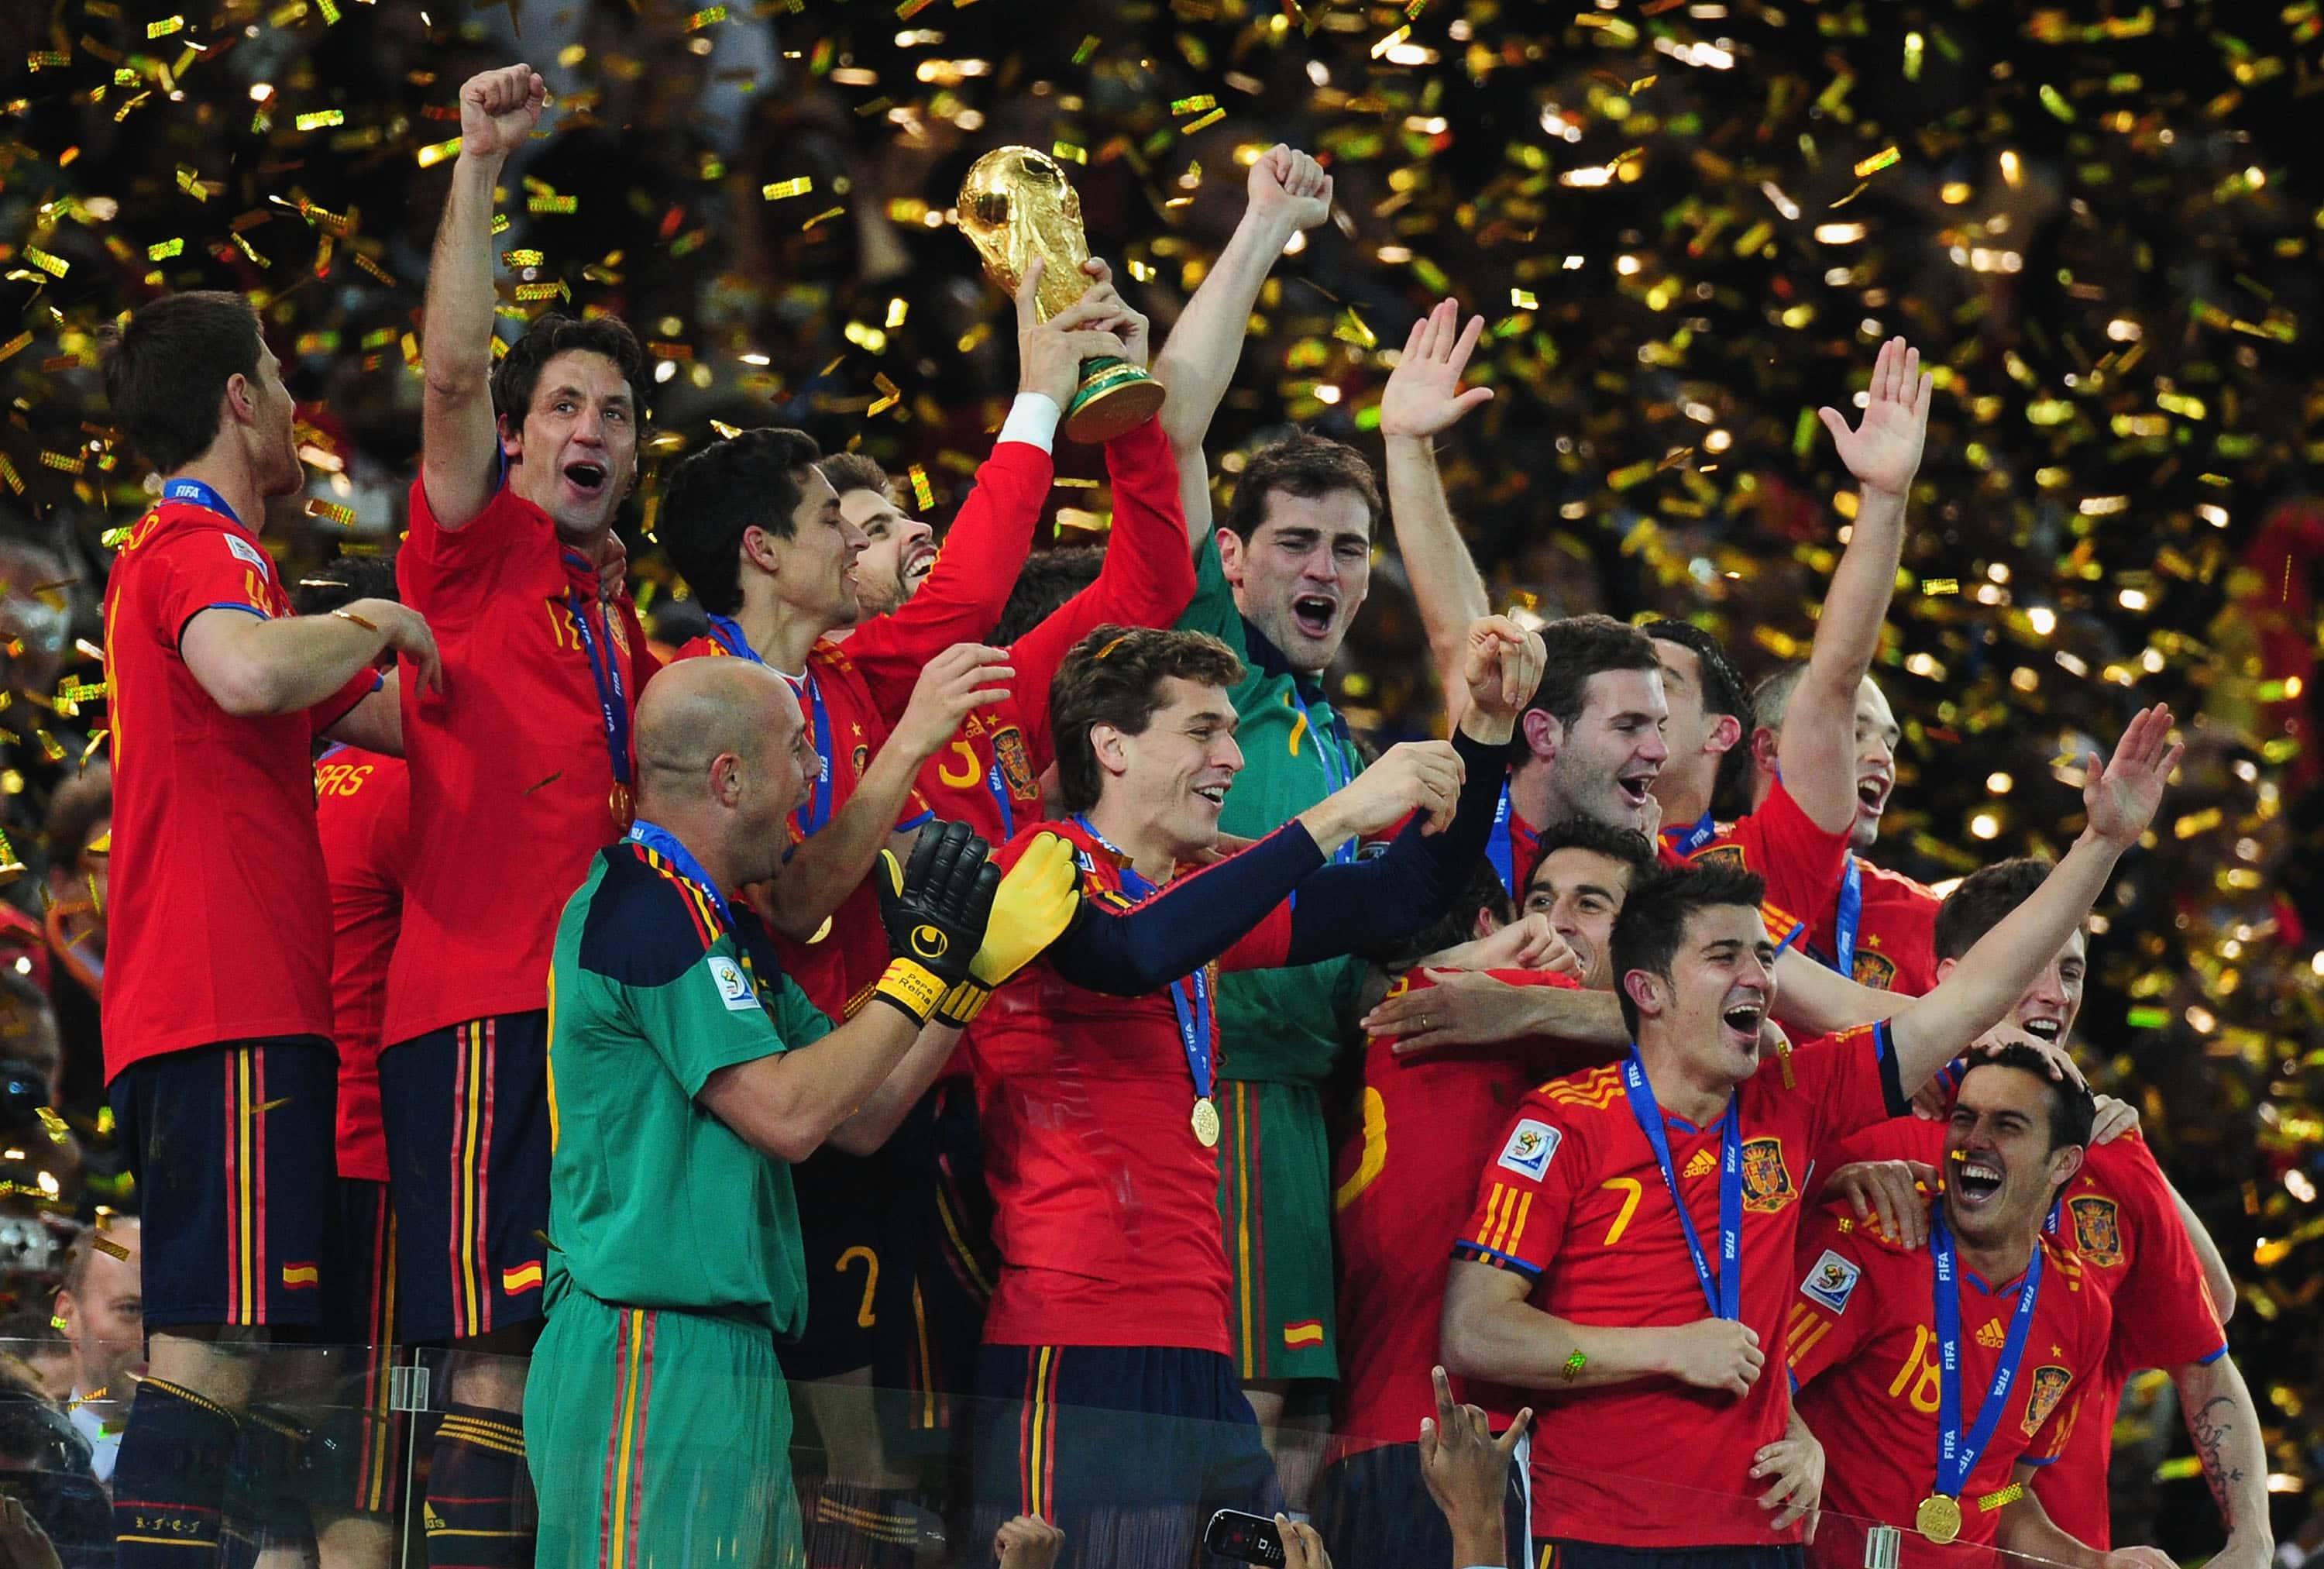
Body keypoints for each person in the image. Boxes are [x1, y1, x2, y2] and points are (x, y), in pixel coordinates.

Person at [1438, 704, 2181, 1569]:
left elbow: (1969, 1002)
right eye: (1725, 957)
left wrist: (2101, 846)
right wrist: (1665, 1350)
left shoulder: (1795, 1099)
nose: (1759, 978)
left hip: (1764, 1538)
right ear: (1646, 990)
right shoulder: (1565, 1121)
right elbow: (1477, 1331)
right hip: (1603, 1534)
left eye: (1763, 957)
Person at [652, 270, 1132, 1559]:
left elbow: (971, 582)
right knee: (816, 1458)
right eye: (830, 519)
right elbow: (796, 901)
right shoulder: (699, 695)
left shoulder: (841, 674)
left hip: (882, 1093)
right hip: (780, 1113)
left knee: (884, 1455)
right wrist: (913, 745)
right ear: (763, 551)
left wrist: (1040, 392)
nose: (853, 545)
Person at [965, 614, 1535, 1569]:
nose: (1231, 756)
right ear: (1111, 747)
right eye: (1202, 731)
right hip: (1075, 1346)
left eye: (1232, 731)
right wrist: (1336, 816)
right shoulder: (1044, 865)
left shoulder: (1196, 895)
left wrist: (1484, 728)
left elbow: (1403, 893)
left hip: (1202, 1348)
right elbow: (1129, 953)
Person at [522, 655, 1074, 1569]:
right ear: (729, 778)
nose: (817, 776)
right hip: (646, 1352)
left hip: (727, 1353)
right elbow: (787, 1115)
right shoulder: (641, 907)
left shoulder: (719, 921)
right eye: (798, 751)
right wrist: (921, 967)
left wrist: (965, 980)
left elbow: (859, 1112)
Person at [1155, 142, 1507, 1433]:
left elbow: (1480, 675)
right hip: (1214, 1087)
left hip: (1311, 1108)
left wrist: (1407, 452)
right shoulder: (1201, 661)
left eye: (1348, 551)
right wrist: (1260, 230)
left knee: (1294, 1421)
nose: (1325, 571)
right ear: (1233, 558)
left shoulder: (1338, 746)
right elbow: (1175, 425)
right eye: (1295, 543)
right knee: (1240, 1417)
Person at [93, 287, 435, 1568]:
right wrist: (373, 615)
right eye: (280, 378)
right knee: (212, 1349)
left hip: (218, 1009)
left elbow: (403, 721)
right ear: (240, 399)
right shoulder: (205, 547)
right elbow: (246, 670)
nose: (298, 402)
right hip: (226, 1001)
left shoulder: (220, 568)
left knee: (253, 1356)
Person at [383, 61, 655, 1568]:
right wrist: (478, 165)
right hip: (484, 1011)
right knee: (491, 1354)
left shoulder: (630, 628)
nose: (588, 428)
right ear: (519, 435)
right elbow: (444, 382)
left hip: (597, 1035)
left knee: (574, 1349)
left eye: (616, 411)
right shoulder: (473, 554)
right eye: (562, 405)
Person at [1820, 858, 2271, 1569]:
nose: (2056, 994)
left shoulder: (2110, 1153)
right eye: (2032, 961)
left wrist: (2251, 1537)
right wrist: (1831, 1185)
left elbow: (2206, 1345)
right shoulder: (1865, 1125)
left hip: (2060, 1548)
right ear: (1952, 978)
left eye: (2072, 971)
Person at [1318, 821, 1655, 1569]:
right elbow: (1718, 1033)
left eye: (1590, 903)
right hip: (1458, 1454)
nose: (1555, 922)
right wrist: (1528, 1002)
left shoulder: (1481, 1022)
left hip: (1371, 1444)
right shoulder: (1484, 1001)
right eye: (1539, 901)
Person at [1786, 1047, 2140, 1569]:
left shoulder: (2082, 1310)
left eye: (2007, 1126)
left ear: (2063, 1162)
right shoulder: (1875, 1239)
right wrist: (1799, 1437)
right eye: (1964, 1118)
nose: (1974, 1140)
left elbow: (2005, 1493)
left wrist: (2094, 1563)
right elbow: (1757, 1387)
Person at [1642, 339, 1933, 939]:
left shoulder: (1765, 860)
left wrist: (1884, 500)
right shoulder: (1563, 838)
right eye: (1856, 731)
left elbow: (1836, 676)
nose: (1882, 758)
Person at [295, 558, 411, 1557]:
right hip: (374, 1153)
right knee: (366, 1472)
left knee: (282, 1457)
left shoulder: (275, 776)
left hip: (283, 1145)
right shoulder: (404, 781)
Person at [51, 1220, 139, 1488]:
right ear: (68, 1316)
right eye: (131, 1309)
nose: (157, 1337)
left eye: (174, 1317)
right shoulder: (20, 1452)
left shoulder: (228, 1462)